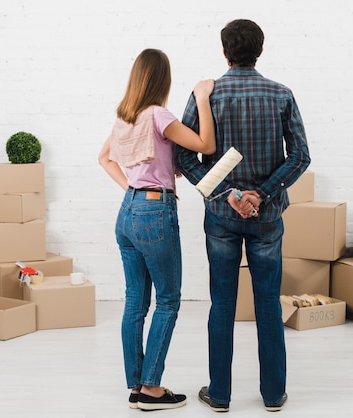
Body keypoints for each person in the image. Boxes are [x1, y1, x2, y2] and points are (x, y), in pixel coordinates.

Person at [174, 19, 311, 412]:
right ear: (260, 51)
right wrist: (260, 194)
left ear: (224, 52)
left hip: (221, 214)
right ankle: (272, 395)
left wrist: (229, 193)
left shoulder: (207, 95)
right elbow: (300, 156)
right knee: (268, 303)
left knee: (222, 303)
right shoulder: (281, 94)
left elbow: (183, 156)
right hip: (266, 216)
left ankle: (219, 395)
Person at [98, 48, 216, 411]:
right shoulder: (159, 115)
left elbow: (105, 158)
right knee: (167, 300)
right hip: (154, 212)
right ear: (162, 80)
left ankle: (135, 385)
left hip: (128, 211)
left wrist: (137, 186)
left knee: (135, 301)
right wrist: (202, 98)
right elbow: (206, 145)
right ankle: (151, 389)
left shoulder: (125, 117)